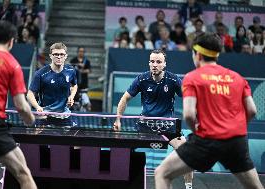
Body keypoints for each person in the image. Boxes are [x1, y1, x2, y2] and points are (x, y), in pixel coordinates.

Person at [155, 33, 264, 189]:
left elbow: (189, 114)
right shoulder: (237, 78)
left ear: (197, 54)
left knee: (162, 173)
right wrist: (236, 127)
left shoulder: (192, 78)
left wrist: (196, 131)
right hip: (236, 141)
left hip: (207, 141)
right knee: (256, 187)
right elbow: (252, 110)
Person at [113, 49, 194, 189]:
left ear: (164, 64)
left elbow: (188, 97)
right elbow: (125, 98)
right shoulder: (142, 79)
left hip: (168, 125)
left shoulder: (173, 79)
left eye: (158, 62)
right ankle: (120, 182)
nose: (154, 64)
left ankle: (189, 187)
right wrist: (118, 119)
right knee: (124, 150)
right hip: (146, 124)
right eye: (152, 61)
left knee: (188, 155)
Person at [0, 21, 37, 189]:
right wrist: (31, 120)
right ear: (12, 41)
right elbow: (21, 106)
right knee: (23, 174)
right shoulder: (13, 65)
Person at [27, 42, 78, 127]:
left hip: (64, 116)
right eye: (56, 54)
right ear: (51, 56)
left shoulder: (71, 71)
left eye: (62, 54)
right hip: (45, 115)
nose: (59, 57)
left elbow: (74, 85)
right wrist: (37, 107)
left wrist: (71, 96)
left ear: (66, 56)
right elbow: (30, 94)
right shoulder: (40, 74)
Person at [69, 46, 91, 111]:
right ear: (77, 52)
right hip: (75, 84)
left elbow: (89, 70)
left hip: (83, 84)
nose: (81, 53)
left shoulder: (86, 61)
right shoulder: (73, 60)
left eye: (82, 52)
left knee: (86, 103)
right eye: (80, 51)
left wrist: (81, 70)